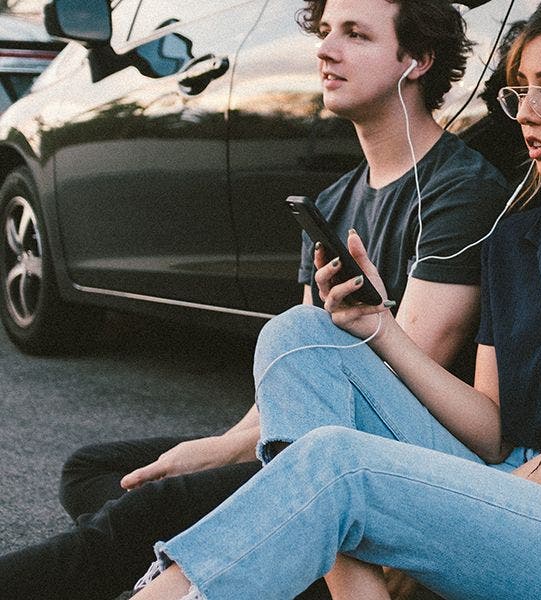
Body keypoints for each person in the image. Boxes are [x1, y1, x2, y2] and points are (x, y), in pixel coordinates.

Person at [132, 0, 541, 598]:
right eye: (520, 90)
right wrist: (378, 327)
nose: (527, 112)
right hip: (506, 474)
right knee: (297, 336)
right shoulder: (517, 238)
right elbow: (491, 432)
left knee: (340, 467)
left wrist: (426, 515)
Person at [0, 0, 509, 598]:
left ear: (417, 60)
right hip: (308, 436)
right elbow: (294, 365)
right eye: (325, 31)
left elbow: (387, 392)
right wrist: (228, 444)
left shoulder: (458, 192)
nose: (326, 50)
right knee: (95, 469)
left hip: (381, 463)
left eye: (355, 35)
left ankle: (238, 556)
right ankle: (254, 562)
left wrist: (228, 455)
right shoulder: (334, 201)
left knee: (139, 512)